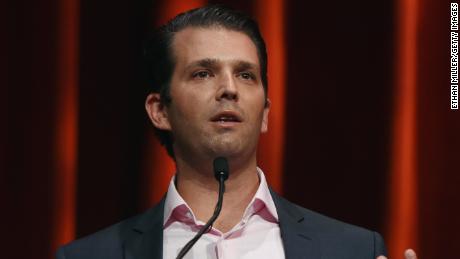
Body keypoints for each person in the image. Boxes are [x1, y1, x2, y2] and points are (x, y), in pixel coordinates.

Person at [56, 5, 417, 259]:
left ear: (264, 113)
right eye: (203, 73)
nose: (229, 89)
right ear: (160, 110)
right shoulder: (90, 255)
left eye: (246, 75)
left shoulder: (353, 251)